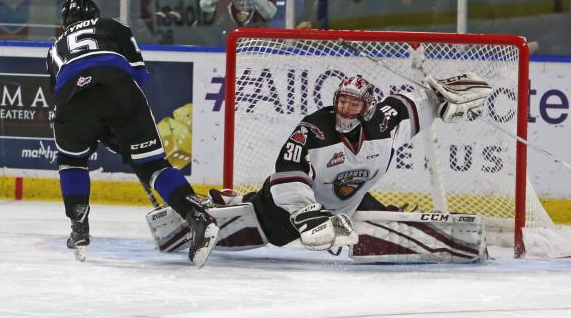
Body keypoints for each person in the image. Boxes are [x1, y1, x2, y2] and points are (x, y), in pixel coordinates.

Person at [209, 73, 493, 251]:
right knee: (270, 232)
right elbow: (287, 173)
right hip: (289, 209)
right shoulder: (314, 128)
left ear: (368, 107)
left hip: (347, 205)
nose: (345, 108)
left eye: (353, 103)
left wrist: (442, 98)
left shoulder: (384, 124)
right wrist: (307, 214)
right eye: (342, 101)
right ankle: (231, 207)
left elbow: (414, 105)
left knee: (385, 220)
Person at [46, 0, 219, 267]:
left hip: (71, 98)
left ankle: (79, 229)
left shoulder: (54, 48)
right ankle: (197, 217)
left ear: (64, 22)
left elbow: (59, 99)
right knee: (152, 165)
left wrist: (100, 127)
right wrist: (123, 127)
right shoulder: (110, 25)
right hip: (119, 89)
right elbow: (138, 72)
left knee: (72, 161)